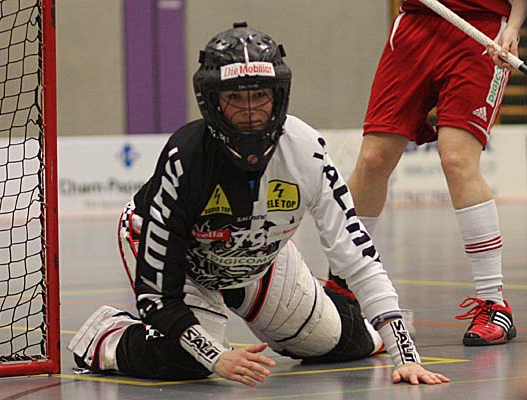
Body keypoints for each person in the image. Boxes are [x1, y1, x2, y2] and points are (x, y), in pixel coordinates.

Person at [68, 22, 449, 386]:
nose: (249, 110)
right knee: (187, 361)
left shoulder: (306, 150)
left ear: (278, 96)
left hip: (257, 258)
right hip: (183, 264)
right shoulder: (184, 156)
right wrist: (216, 357)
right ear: (212, 101)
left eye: (259, 96)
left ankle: (318, 308)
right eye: (235, 97)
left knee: (345, 342)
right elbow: (157, 295)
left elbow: (358, 255)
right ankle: (104, 336)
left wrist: (405, 355)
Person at [347, 0, 526, 346]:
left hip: (482, 29)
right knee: (373, 160)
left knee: (457, 158)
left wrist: (514, 27)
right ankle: (343, 287)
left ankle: (493, 303)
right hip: (416, 25)